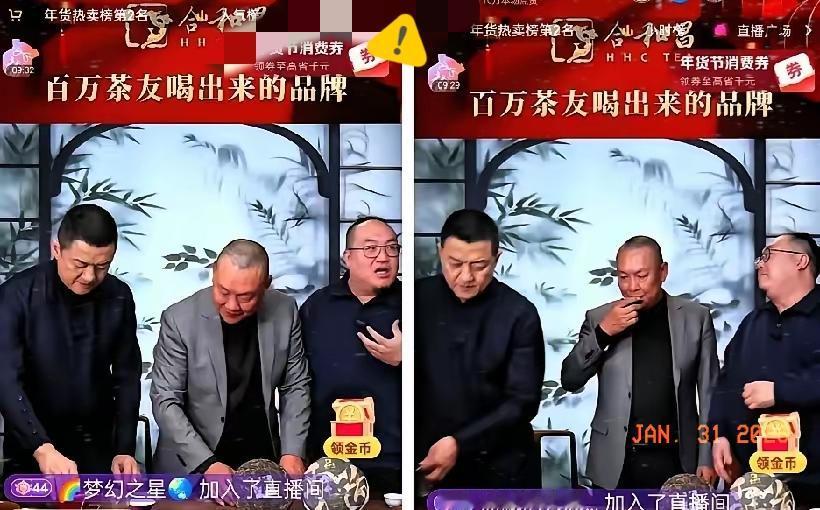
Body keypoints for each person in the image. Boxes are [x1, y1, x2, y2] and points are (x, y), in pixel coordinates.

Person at [562, 236, 719, 489]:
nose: (632, 286)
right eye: (623, 277)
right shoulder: (599, 317)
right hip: (616, 461)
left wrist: (707, 456)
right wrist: (603, 333)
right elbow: (570, 379)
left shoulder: (695, 318)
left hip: (679, 458)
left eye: (641, 275)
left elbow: (710, 394)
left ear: (663, 272)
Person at [0, 204, 141, 482]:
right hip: (33, 446)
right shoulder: (16, 296)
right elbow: (5, 380)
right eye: (80, 265)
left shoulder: (119, 295)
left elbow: (127, 376)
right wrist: (41, 447)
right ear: (57, 250)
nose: (90, 277)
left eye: (102, 266)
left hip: (98, 446)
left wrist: (124, 448)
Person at [150, 240, 310, 481]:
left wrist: (292, 452)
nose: (232, 305)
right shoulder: (179, 320)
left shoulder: (285, 310)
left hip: (261, 460)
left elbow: (296, 385)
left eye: (246, 297)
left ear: (266, 285)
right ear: (213, 275)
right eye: (223, 292)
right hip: (192, 465)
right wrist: (207, 464)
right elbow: (166, 400)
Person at [415, 209, 545, 489]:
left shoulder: (519, 313)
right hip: (427, 463)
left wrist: (460, 443)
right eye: (455, 263)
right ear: (439, 251)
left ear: (497, 258)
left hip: (500, 469)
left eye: (479, 265)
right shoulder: (413, 300)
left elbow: (522, 402)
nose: (466, 277)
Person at [710, 233, 820, 508]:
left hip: (813, 484)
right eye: (761, 258)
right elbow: (725, 383)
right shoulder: (752, 323)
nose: (760, 263)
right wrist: (720, 434)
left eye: (769, 255)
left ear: (801, 261)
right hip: (756, 487)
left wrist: (780, 391)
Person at [300, 216, 401, 494]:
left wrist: (408, 358)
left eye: (392, 248)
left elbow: (446, 379)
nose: (383, 257)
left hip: (398, 461)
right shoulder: (316, 307)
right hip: (329, 460)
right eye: (370, 249)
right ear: (347, 258)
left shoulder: (415, 304)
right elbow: (296, 382)